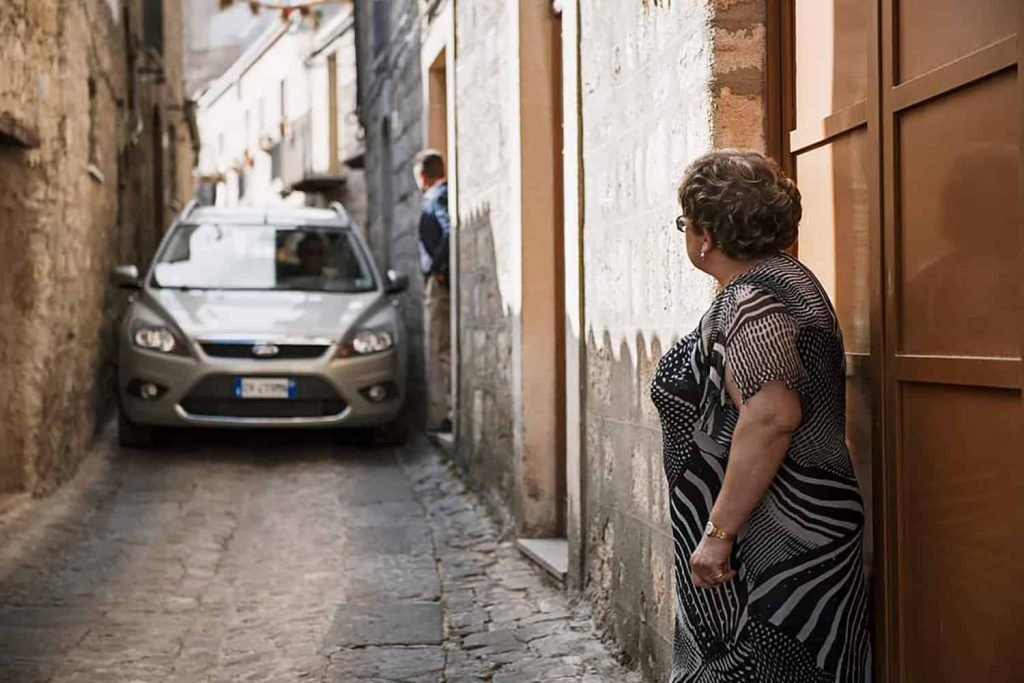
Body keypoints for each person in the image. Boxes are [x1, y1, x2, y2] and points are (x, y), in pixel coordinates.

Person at [650, 149, 871, 682]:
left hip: (770, 544)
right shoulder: (783, 281)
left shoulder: (753, 301)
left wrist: (719, 534)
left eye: (686, 222)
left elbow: (771, 416)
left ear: (706, 234)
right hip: (788, 532)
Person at [414, 149, 452, 434]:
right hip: (439, 280)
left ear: (422, 176)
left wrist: (436, 268)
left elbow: (449, 230)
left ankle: (447, 414)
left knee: (441, 349)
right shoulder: (442, 194)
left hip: (439, 283)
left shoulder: (436, 197)